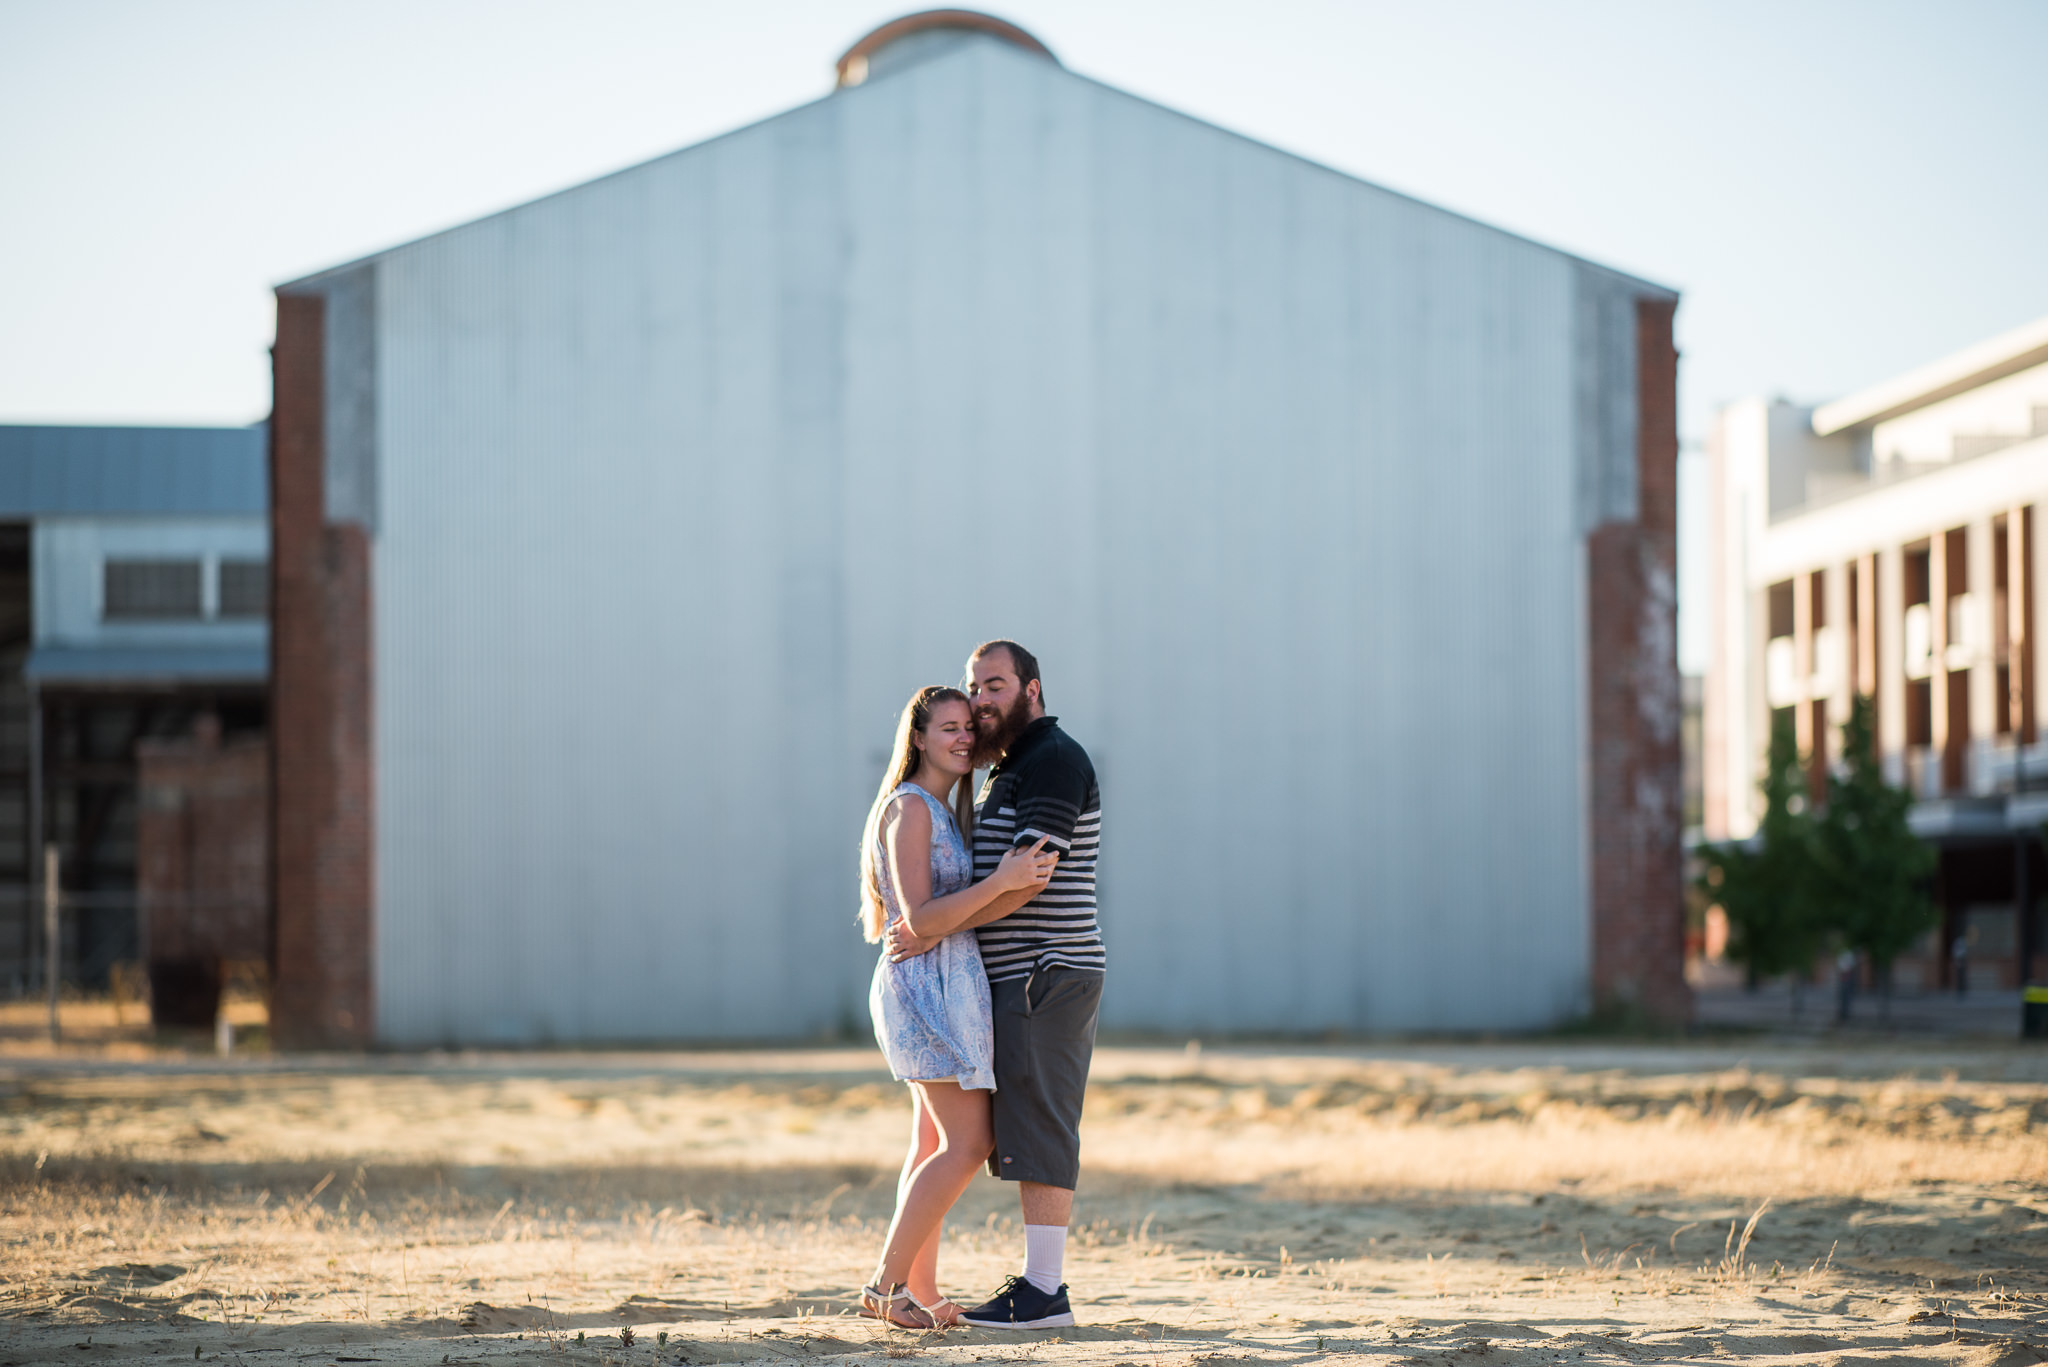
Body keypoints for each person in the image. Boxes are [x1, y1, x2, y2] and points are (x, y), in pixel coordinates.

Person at [887, 641, 1104, 1330]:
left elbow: (1027, 877)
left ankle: (1043, 1291)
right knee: (951, 1136)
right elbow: (994, 880)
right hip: (1004, 978)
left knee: (1037, 1119)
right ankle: (913, 1289)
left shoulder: (1051, 759)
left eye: (995, 684)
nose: (980, 700)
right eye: (973, 685)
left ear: (1031, 689)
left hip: (1048, 966)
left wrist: (932, 926)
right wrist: (933, 926)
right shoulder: (998, 770)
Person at [857, 685, 1058, 1330]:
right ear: (917, 738)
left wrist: (1003, 887)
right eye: (948, 728)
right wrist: (1000, 882)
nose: (964, 738)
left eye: (969, 728)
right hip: (924, 989)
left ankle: (917, 1290)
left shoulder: (942, 810)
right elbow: (918, 918)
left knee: (929, 1145)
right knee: (971, 1139)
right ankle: (884, 1286)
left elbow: (941, 917)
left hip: (945, 979)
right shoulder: (911, 809)